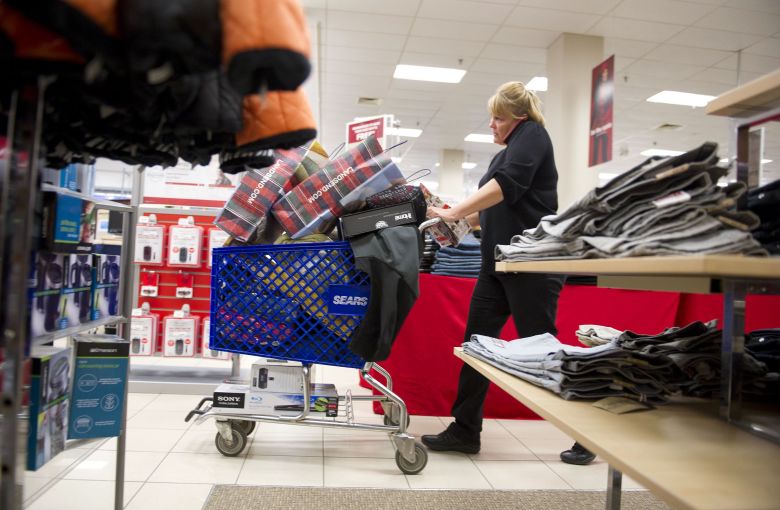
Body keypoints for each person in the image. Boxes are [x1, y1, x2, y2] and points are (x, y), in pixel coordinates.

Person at [421, 81, 596, 466]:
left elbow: (504, 188)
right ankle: (465, 430)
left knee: (544, 352)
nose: (491, 124)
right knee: (476, 348)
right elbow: (492, 208)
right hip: (497, 266)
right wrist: (454, 223)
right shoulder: (506, 153)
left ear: (518, 117)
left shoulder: (532, 135)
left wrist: (454, 212)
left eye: (498, 117)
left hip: (529, 267)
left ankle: (588, 435)